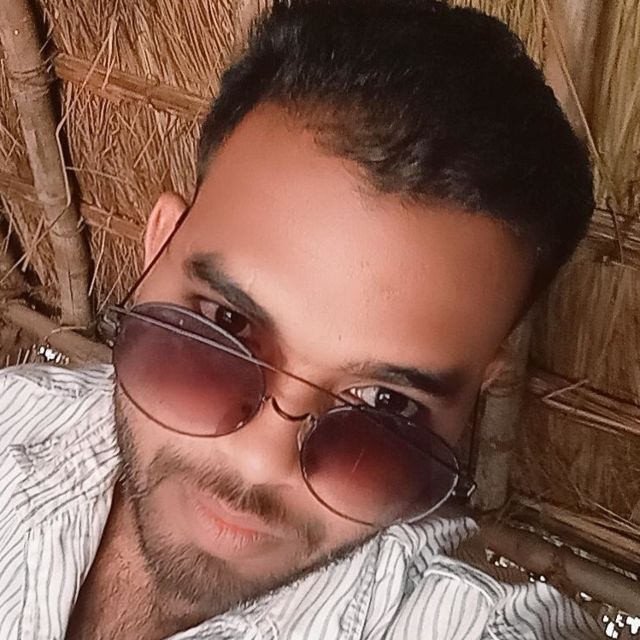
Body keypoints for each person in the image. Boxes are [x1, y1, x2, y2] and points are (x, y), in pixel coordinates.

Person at [0, 0, 602, 638]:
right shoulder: (13, 415)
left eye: (385, 404)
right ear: (157, 247)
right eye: (226, 323)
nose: (262, 462)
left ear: (476, 394)